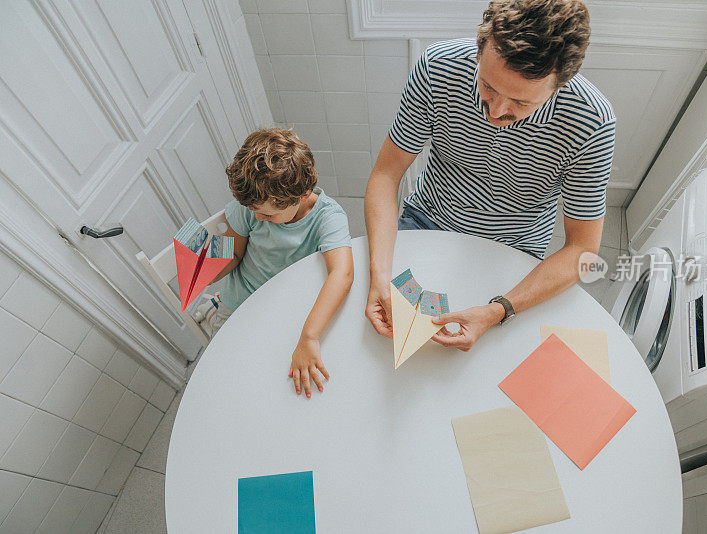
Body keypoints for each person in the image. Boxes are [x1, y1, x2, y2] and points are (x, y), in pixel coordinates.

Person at [364, 0, 615, 351]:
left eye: (521, 103)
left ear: (560, 83)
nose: (495, 111)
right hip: (427, 220)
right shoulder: (438, 67)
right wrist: (379, 275)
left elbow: (582, 250)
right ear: (480, 48)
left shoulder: (592, 123)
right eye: (488, 86)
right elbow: (386, 176)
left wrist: (500, 310)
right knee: (382, 348)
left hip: (514, 249)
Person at [203, 128, 354, 397]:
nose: (259, 220)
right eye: (254, 212)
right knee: (226, 374)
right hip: (239, 301)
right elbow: (235, 255)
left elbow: (341, 274)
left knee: (282, 379)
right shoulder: (254, 204)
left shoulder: (328, 217)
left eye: (269, 215)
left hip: (288, 306)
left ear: (303, 195)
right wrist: (206, 272)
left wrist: (309, 337)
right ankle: (214, 307)